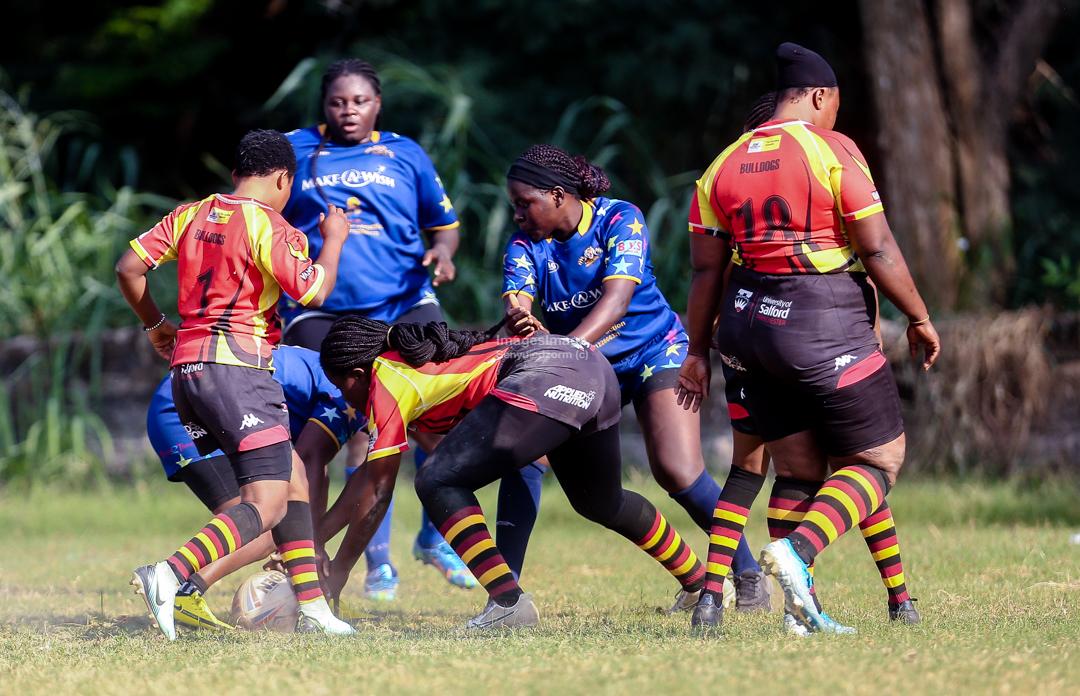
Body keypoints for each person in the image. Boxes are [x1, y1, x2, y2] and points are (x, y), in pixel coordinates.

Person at [677, 43, 940, 633]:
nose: (835, 117)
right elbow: (877, 248)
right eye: (835, 106)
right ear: (820, 96)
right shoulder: (831, 148)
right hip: (819, 324)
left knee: (797, 472)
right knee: (877, 462)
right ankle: (798, 552)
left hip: (744, 330)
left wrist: (697, 351)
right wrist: (919, 316)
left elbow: (705, 273)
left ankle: (802, 613)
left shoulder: (721, 164)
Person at [497, 144, 771, 612]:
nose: (517, 214)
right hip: (587, 367)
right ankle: (504, 598)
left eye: (525, 203)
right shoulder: (526, 244)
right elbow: (517, 296)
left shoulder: (620, 219)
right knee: (526, 457)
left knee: (677, 469)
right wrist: (519, 314)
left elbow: (618, 301)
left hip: (654, 351)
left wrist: (564, 350)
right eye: (513, 206)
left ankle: (747, 574)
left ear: (559, 195)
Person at [317, 316, 708, 629]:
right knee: (601, 501)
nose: (342, 397)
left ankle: (507, 603)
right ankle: (699, 583)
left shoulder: (387, 378)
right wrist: (312, 544)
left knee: (436, 479)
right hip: (591, 366)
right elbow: (368, 477)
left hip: (549, 375)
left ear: (359, 373)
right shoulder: (413, 364)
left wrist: (338, 574)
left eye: (340, 386)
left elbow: (378, 489)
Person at [116, 129, 354, 638]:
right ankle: (171, 574)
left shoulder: (190, 214)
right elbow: (314, 291)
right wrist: (334, 239)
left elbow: (128, 268)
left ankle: (315, 611)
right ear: (284, 179)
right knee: (266, 503)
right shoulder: (272, 225)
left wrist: (157, 325)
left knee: (293, 481)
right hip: (239, 372)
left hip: (186, 373)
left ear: (234, 175)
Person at [279, 58, 475, 598]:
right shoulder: (295, 150)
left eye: (360, 102)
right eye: (338, 102)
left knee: (442, 417)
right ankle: (376, 562)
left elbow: (444, 226)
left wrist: (442, 253)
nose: (349, 111)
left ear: (378, 104)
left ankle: (435, 538)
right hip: (324, 313)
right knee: (360, 425)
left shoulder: (405, 153)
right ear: (324, 105)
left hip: (406, 302)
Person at [147, 345, 366, 630]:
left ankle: (313, 607)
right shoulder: (347, 395)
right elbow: (312, 459)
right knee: (272, 521)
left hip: (186, 395)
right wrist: (311, 545)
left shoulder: (339, 373)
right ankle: (180, 587)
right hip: (194, 407)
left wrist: (312, 542)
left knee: (282, 519)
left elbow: (312, 472)